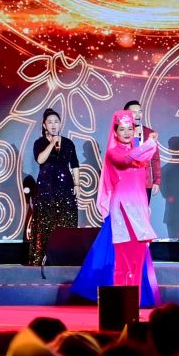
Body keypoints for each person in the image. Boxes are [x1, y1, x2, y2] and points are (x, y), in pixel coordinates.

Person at [72, 110, 160, 303]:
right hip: (122, 210)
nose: (127, 132)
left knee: (137, 260)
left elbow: (146, 154)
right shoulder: (114, 153)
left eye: (130, 128)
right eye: (122, 129)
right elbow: (126, 159)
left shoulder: (139, 153)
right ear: (115, 132)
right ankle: (121, 306)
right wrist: (148, 143)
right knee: (123, 261)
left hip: (139, 210)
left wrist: (150, 143)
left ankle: (133, 304)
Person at [30, 108, 79, 265]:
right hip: (47, 187)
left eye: (56, 122)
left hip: (65, 186)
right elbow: (40, 160)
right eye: (50, 122)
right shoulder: (40, 143)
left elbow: (75, 164)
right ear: (44, 125)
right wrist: (52, 143)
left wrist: (77, 184)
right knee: (47, 222)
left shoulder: (68, 143)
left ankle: (65, 258)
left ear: (60, 124)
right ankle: (44, 258)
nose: (53, 125)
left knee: (66, 221)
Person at [123, 100, 162, 202]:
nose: (137, 115)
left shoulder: (149, 133)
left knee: (143, 211)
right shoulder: (120, 133)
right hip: (126, 182)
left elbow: (155, 159)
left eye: (139, 112)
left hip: (145, 181)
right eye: (134, 112)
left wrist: (156, 181)